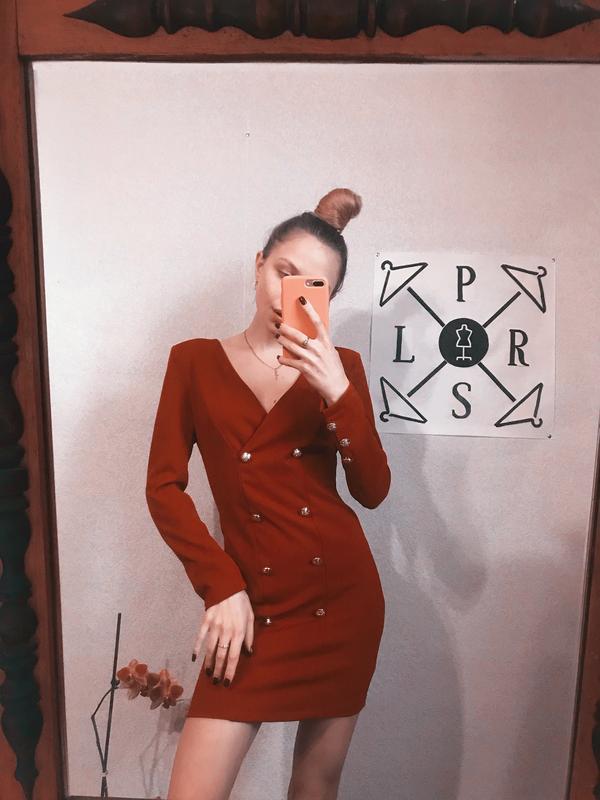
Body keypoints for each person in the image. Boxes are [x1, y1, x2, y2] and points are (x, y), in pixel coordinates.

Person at [145, 187, 392, 800]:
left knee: (315, 785)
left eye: (312, 286)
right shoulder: (194, 363)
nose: (290, 295)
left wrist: (338, 392)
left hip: (341, 600)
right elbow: (163, 487)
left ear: (329, 299)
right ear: (259, 264)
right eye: (284, 271)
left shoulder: (343, 369)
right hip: (249, 602)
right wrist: (220, 585)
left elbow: (373, 490)